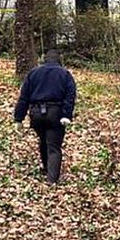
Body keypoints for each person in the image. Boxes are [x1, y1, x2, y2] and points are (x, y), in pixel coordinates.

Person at [13, 48, 77, 184]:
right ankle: (52, 179)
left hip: (36, 114)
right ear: (59, 60)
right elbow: (70, 96)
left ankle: (46, 168)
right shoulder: (65, 74)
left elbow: (24, 97)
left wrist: (18, 118)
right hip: (56, 113)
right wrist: (67, 115)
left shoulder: (33, 73)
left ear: (44, 59)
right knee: (54, 146)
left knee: (43, 140)